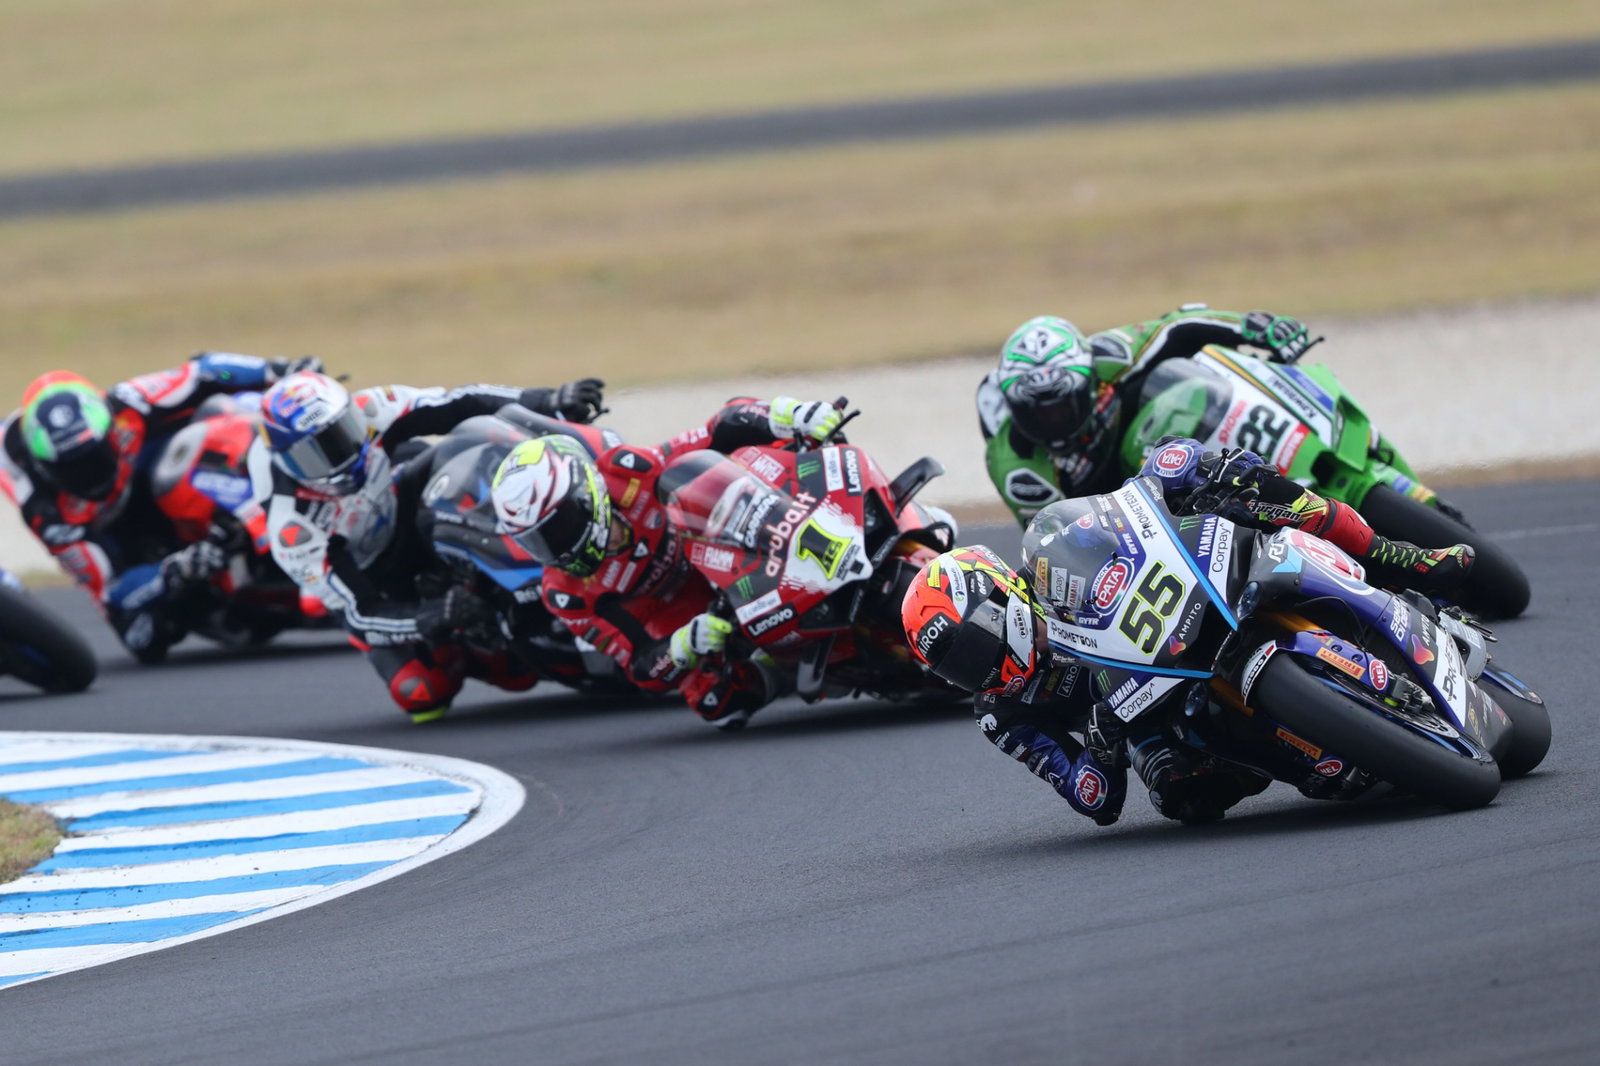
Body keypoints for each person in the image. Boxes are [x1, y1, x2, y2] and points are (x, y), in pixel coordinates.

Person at [900, 436, 1474, 826]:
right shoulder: (1000, 715)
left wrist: (1173, 472)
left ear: (999, 600)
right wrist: (1100, 745)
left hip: (1180, 605)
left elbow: (1121, 516)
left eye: (972, 650)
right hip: (1142, 711)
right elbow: (1090, 798)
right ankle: (1314, 751)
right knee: (1182, 793)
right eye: (955, 668)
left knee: (1251, 486)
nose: (975, 675)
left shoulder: (1051, 559)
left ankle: (1402, 559)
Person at [258, 370, 608, 721]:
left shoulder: (372, 408)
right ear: (284, 459)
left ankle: (561, 530)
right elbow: (361, 613)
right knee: (423, 693)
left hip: (404, 500)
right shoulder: (294, 529)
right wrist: (431, 616)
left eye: (342, 434)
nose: (341, 456)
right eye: (316, 454)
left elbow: (463, 401)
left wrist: (548, 400)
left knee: (473, 441)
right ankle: (484, 648)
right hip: (377, 577)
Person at [488, 396, 847, 730]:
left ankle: (846, 522)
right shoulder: (565, 593)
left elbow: (712, 432)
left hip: (730, 546)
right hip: (696, 614)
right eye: (535, 541)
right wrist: (682, 646)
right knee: (716, 700)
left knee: (762, 452)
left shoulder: (623, 469)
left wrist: (783, 416)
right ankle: (790, 666)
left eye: (558, 526)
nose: (555, 549)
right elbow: (639, 665)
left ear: (586, 493)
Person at [0, 352, 322, 657]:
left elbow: (205, 370)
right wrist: (173, 572)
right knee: (143, 636)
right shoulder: (48, 513)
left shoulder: (130, 401)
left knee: (231, 409)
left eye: (94, 457)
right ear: (44, 468)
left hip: (191, 475)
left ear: (111, 431)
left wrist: (277, 372)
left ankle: (299, 494)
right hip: (139, 543)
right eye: (72, 468)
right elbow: (109, 595)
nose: (90, 474)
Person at [977, 304, 1315, 523]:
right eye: (1036, 412)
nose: (1052, 422)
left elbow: (1180, 324)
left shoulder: (1110, 355)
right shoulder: (1015, 466)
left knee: (1182, 385)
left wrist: (1253, 327)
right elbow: (1051, 535)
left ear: (1090, 379)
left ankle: (1266, 468)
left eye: (1062, 405)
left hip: (1170, 461)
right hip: (1109, 519)